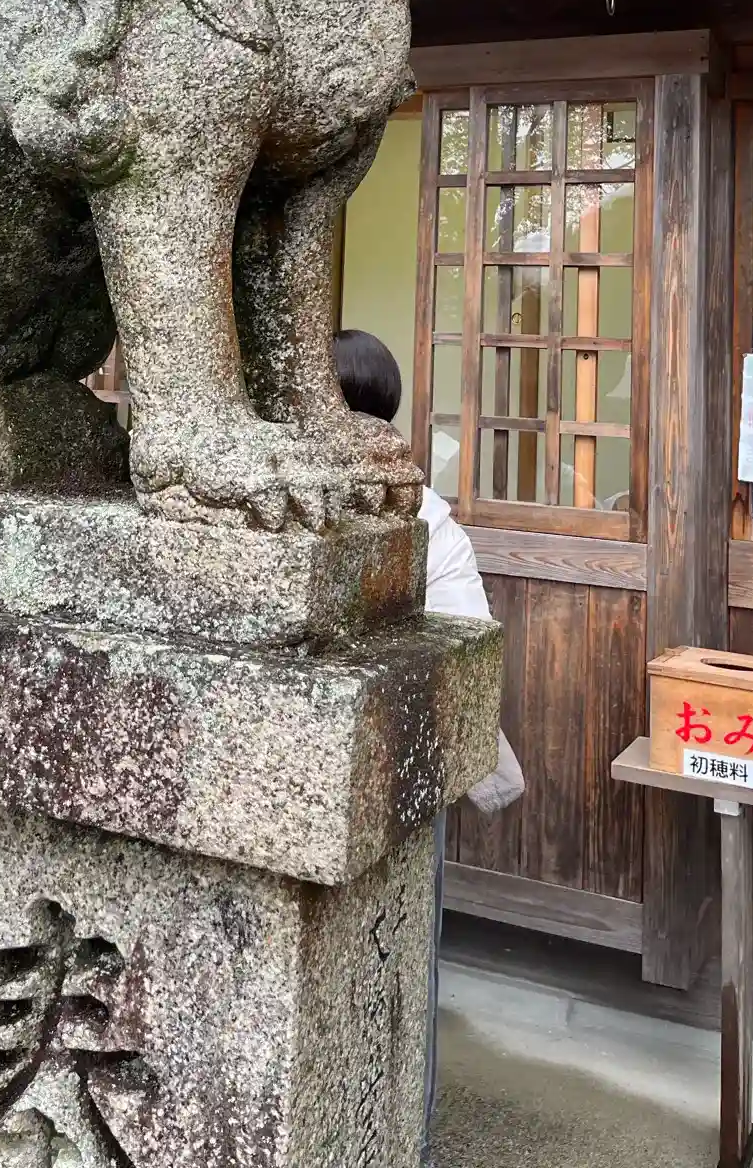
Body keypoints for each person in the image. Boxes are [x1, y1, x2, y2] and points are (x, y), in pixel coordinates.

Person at [333, 328, 524, 1168]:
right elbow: (467, 631)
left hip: (392, 768)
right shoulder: (431, 516)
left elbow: (461, 639)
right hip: (398, 762)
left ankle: (389, 1130)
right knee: (394, 961)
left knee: (388, 956)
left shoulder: (420, 517)